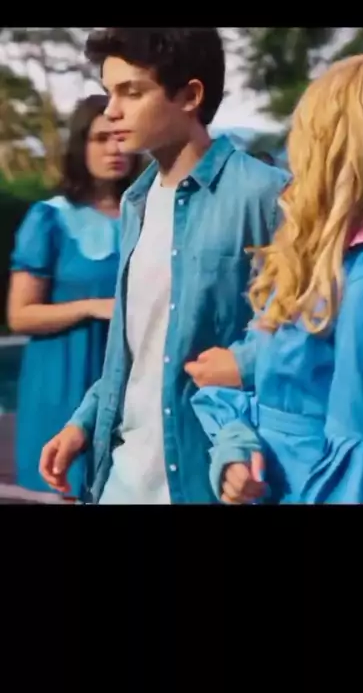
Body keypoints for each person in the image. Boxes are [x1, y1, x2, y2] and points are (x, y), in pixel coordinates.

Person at [190, 54, 363, 504]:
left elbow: (355, 464)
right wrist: (236, 452)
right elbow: (267, 398)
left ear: (334, 150)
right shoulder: (318, 263)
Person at [39, 27, 289, 504]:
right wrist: (83, 422)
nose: (112, 110)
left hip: (209, 479)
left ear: (190, 96)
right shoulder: (136, 203)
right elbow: (138, 350)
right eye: (110, 92)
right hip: (119, 479)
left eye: (131, 92)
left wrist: (240, 441)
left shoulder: (267, 195)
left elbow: (300, 341)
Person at [8, 94, 141, 499]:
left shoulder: (152, 213)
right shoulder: (49, 218)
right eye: (100, 138)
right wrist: (91, 307)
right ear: (80, 145)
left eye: (121, 137)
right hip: (63, 381)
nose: (114, 149)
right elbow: (20, 315)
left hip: (134, 382)